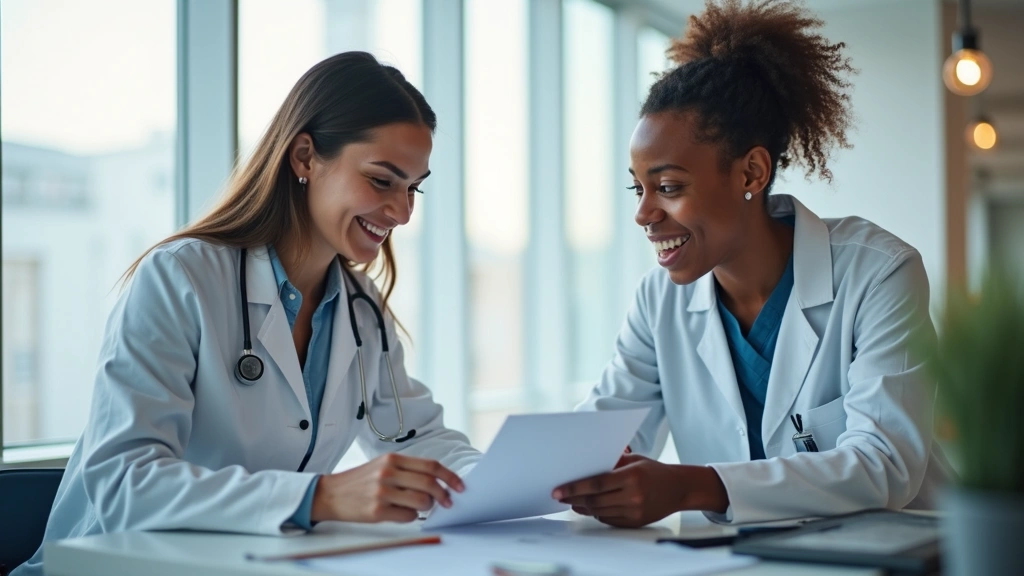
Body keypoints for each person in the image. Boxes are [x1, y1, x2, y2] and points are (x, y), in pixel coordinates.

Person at [15, 52, 478, 576]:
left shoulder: (361, 308)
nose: (402, 212)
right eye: (381, 181)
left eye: (413, 188)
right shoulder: (181, 277)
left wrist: (507, 484)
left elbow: (418, 438)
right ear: (305, 156)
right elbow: (124, 481)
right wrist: (319, 497)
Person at [553, 0, 950, 527]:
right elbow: (602, 436)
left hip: (894, 554)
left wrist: (693, 484)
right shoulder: (659, 300)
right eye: (639, 188)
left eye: (668, 188)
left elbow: (885, 464)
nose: (644, 214)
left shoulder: (878, 272)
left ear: (751, 173)